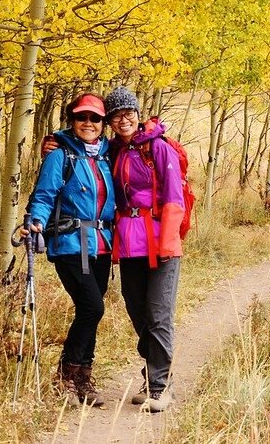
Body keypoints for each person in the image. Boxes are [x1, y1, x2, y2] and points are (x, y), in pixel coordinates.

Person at [25, 92, 115, 406]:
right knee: (93, 307)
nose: (88, 123)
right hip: (71, 243)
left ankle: (83, 380)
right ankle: (65, 377)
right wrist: (34, 221)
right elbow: (44, 195)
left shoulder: (108, 153)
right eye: (81, 117)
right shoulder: (59, 154)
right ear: (72, 120)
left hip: (101, 245)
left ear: (104, 123)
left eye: (95, 118)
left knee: (89, 312)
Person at [102, 86, 185, 413]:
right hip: (128, 243)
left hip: (160, 241)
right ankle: (153, 376)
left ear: (137, 115)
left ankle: (161, 387)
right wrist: (52, 142)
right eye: (116, 115)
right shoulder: (112, 151)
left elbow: (174, 199)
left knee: (158, 313)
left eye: (128, 114)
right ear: (110, 120)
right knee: (138, 312)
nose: (123, 120)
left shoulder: (158, 148)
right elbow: (82, 140)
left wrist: (167, 242)